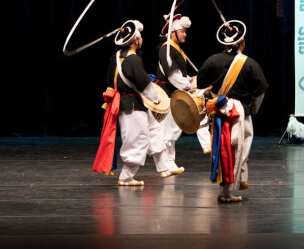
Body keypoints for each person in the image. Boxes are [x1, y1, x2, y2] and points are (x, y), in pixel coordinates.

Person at [93, 20, 183, 186]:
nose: (141, 39)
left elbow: (109, 81)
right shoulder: (133, 59)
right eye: (140, 37)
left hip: (133, 103)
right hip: (132, 105)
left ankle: (164, 167)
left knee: (155, 130)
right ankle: (126, 177)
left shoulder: (115, 57)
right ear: (135, 41)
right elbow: (145, 85)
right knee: (138, 140)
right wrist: (156, 99)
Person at [199, 20, 268, 203]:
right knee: (239, 151)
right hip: (240, 112)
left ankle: (231, 185)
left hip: (219, 112)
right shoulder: (250, 63)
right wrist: (252, 109)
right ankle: (227, 191)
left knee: (223, 149)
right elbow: (260, 92)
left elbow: (200, 85)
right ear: (242, 42)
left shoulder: (211, 61)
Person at [155, 14, 194, 171]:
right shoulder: (166, 48)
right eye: (182, 31)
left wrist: (190, 79)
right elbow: (172, 75)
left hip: (175, 93)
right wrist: (188, 86)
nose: (185, 34)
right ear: (173, 32)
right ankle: (165, 163)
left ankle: (170, 161)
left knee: (172, 131)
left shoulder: (175, 48)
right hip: (167, 93)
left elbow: (180, 74)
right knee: (166, 131)